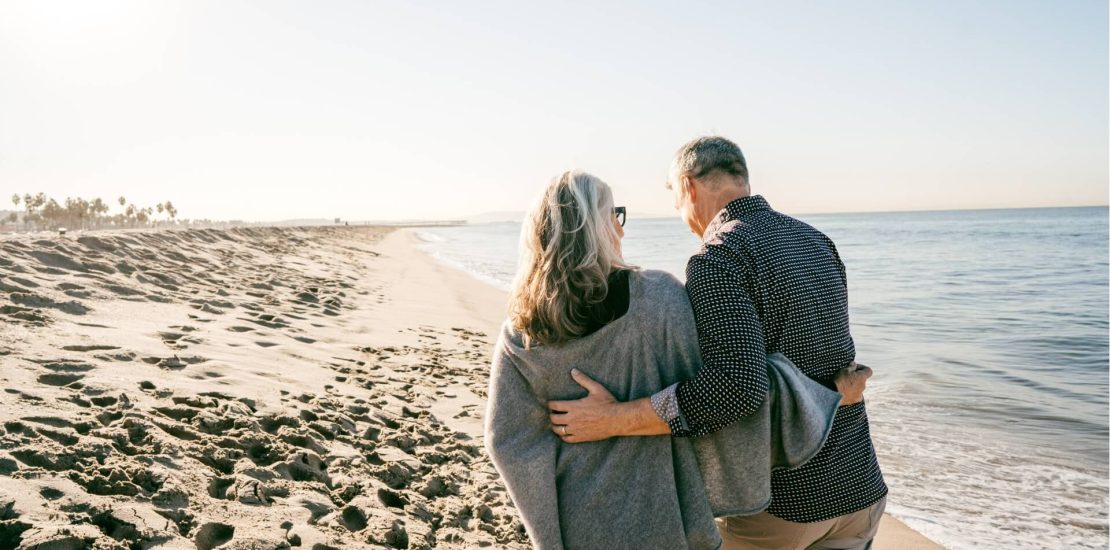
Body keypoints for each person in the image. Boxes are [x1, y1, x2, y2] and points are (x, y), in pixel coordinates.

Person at [484, 170, 866, 550]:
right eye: (614, 215)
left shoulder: (521, 331)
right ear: (599, 228)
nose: (620, 230)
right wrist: (828, 392)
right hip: (666, 517)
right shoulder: (660, 299)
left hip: (577, 521)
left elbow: (509, 445)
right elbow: (732, 389)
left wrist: (549, 537)